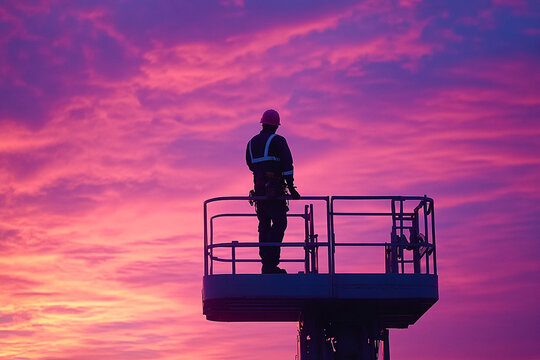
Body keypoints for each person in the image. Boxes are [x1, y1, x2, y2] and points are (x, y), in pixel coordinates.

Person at [246, 109, 301, 274]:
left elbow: (251, 166)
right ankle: (271, 264)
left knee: (263, 225)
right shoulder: (278, 141)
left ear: (262, 123)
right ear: (276, 126)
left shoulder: (251, 143)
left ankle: (266, 264)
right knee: (280, 223)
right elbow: (287, 166)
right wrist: (291, 188)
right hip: (274, 194)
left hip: (259, 193)